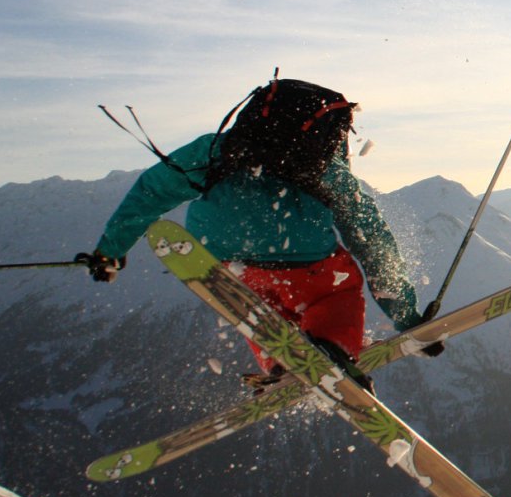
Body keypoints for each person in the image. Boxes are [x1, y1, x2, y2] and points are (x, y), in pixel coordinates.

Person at [80, 77, 430, 393]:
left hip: (225, 258)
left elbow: (153, 191)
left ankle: (280, 362)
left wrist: (110, 248)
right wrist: (406, 316)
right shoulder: (326, 170)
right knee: (337, 291)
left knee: (260, 310)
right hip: (306, 261)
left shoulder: (217, 148)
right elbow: (371, 238)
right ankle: (332, 347)